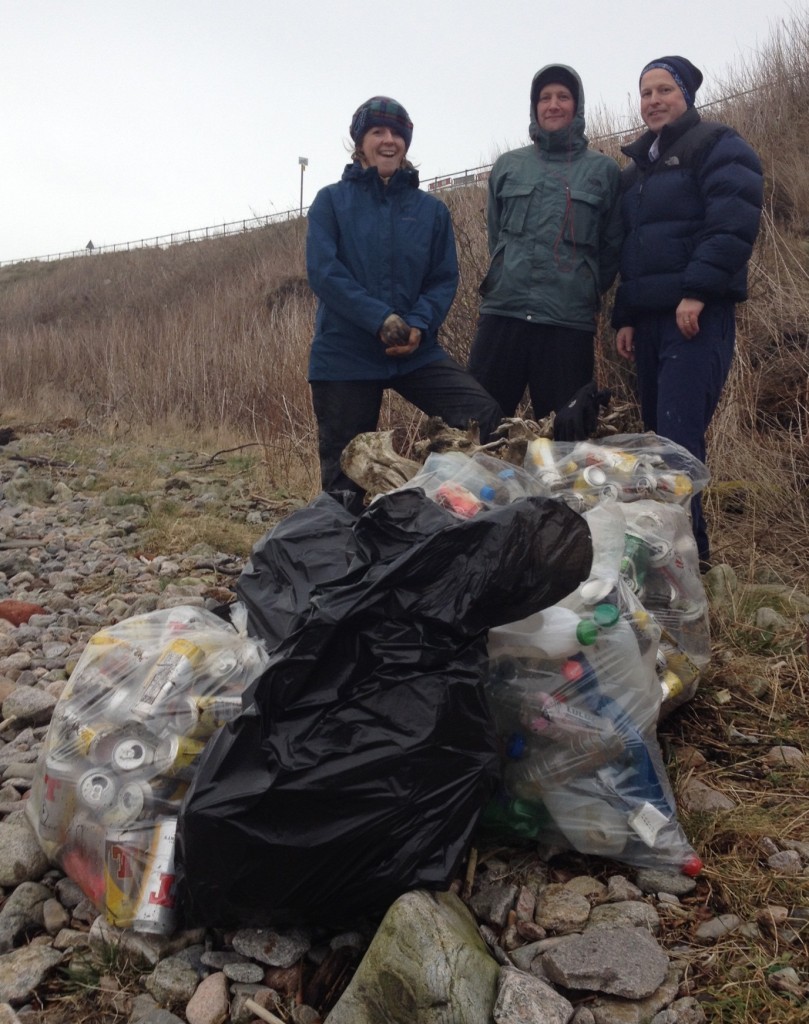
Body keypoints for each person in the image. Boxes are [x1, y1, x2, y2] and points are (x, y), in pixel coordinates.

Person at [306, 96, 503, 502]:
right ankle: (345, 537)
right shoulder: (330, 202)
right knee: (346, 483)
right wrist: (379, 319)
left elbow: (443, 279)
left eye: (397, 133)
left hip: (415, 352)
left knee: (483, 418)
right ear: (360, 143)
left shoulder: (431, 211)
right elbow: (324, 273)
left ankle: (452, 508)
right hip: (345, 354)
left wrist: (417, 325)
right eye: (377, 132)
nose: (388, 140)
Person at [612, 56, 764, 569]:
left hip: (695, 317)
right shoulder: (636, 170)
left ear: (687, 95)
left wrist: (698, 290)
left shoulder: (717, 144)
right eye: (646, 92)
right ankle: (671, 561)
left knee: (679, 441)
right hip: (650, 322)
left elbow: (733, 220)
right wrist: (625, 315)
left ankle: (690, 565)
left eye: (664, 90)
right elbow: (631, 248)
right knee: (658, 443)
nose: (654, 101)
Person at [468, 64, 623, 437]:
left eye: (563, 97)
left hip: (566, 323)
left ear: (577, 105)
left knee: (565, 438)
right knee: (477, 431)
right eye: (545, 98)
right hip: (503, 314)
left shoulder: (603, 170)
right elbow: (497, 237)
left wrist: (581, 286)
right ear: (534, 106)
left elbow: (611, 247)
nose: (553, 105)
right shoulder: (508, 166)